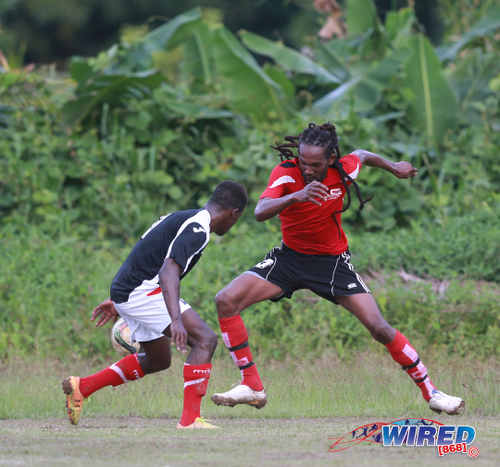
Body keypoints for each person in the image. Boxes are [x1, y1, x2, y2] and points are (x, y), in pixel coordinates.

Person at [210, 123, 464, 415]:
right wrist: (296, 196)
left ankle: (432, 392)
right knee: (225, 300)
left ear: (330, 159)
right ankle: (252, 385)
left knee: (379, 328)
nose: (307, 169)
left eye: (314, 164)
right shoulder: (287, 173)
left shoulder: (343, 169)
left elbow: (363, 155)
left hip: (332, 265)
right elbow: (259, 211)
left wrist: (393, 167)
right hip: (289, 259)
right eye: (303, 161)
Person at [62, 180, 248, 429]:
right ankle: (190, 420)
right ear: (233, 213)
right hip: (143, 291)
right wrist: (176, 320)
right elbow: (168, 272)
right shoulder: (198, 229)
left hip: (132, 290)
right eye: (236, 220)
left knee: (158, 359)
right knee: (205, 339)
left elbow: (146, 250)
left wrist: (120, 296)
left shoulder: (186, 217)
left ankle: (83, 387)